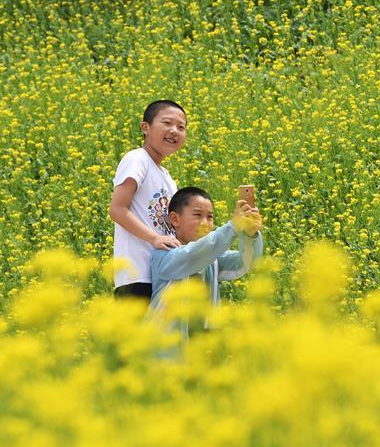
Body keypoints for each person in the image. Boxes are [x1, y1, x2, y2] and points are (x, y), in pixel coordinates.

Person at [149, 187, 264, 337]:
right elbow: (194, 254)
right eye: (197, 215)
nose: (205, 223)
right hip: (166, 348)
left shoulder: (212, 260)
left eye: (210, 217)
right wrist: (233, 227)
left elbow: (244, 263)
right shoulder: (165, 255)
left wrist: (250, 235)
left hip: (202, 346)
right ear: (175, 219)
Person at [109, 100, 187, 300]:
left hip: (162, 276)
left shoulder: (168, 179)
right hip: (137, 277)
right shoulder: (137, 159)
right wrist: (155, 239)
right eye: (167, 123)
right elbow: (117, 210)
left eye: (181, 127)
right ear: (145, 128)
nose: (174, 131)